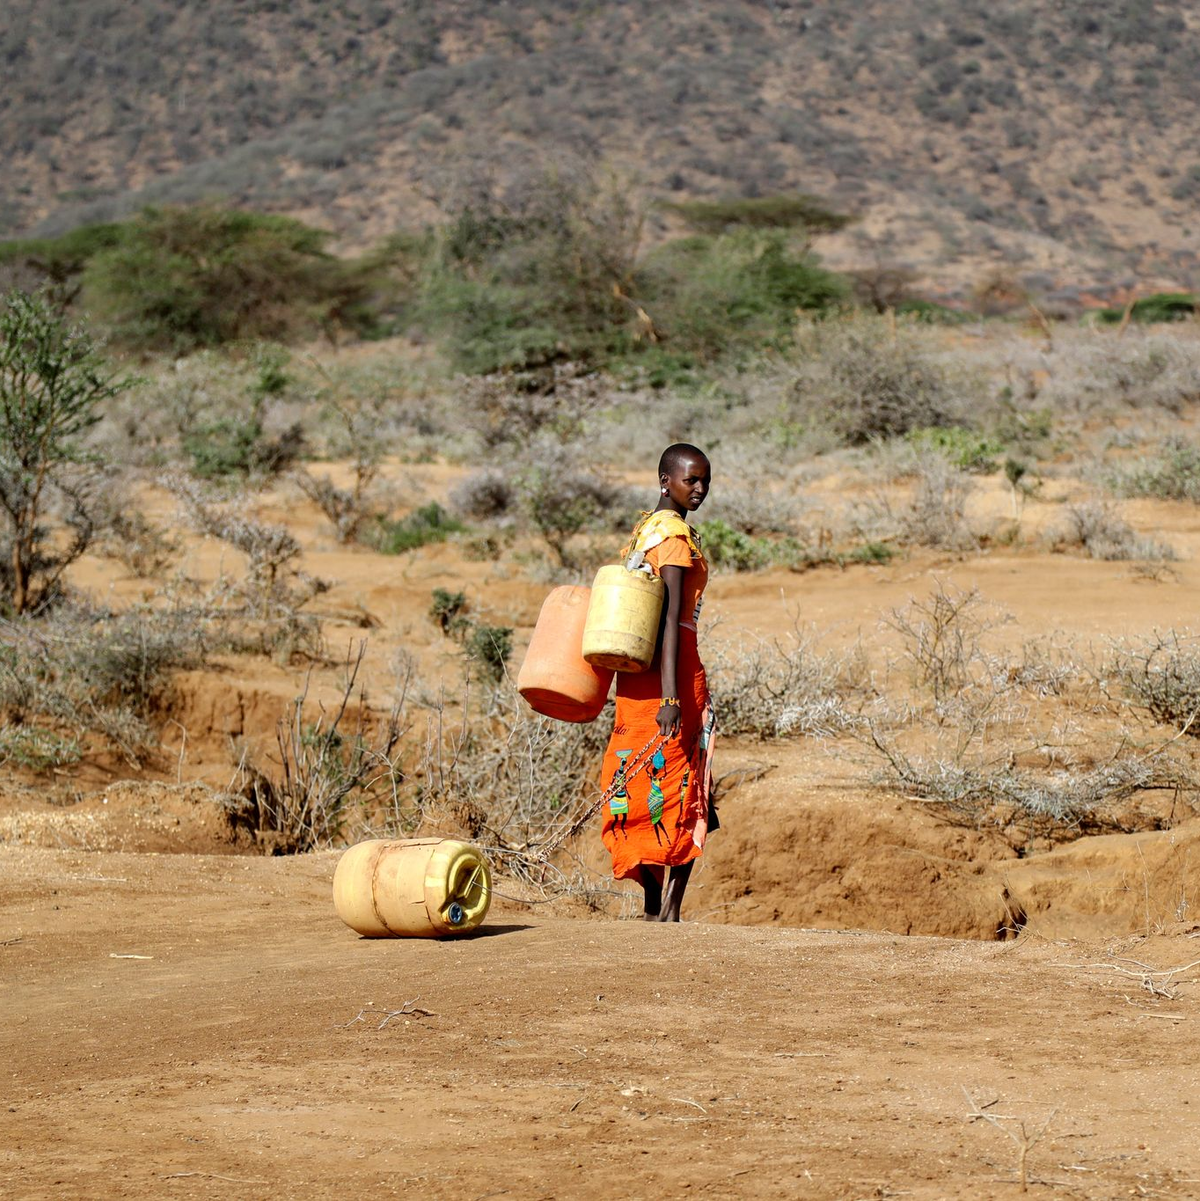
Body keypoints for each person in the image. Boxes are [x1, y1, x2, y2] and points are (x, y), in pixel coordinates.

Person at [599, 443, 716, 922]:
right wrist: (672, 696)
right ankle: (667, 908)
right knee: (684, 783)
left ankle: (657, 907)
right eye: (691, 480)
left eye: (705, 480)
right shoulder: (673, 540)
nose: (701, 489)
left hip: (636, 679)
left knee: (640, 779)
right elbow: (669, 621)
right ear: (665, 481)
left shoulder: (645, 532)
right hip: (672, 677)